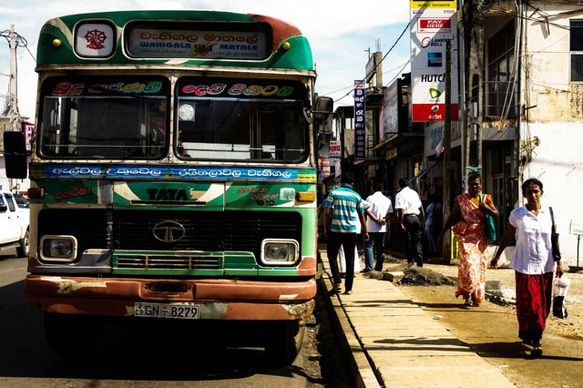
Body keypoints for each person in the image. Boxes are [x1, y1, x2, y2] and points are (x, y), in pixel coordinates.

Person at [490, 178, 563, 358]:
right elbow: (508, 235)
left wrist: (559, 261)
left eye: (536, 191)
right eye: (529, 192)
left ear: (541, 193)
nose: (533, 195)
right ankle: (536, 340)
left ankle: (530, 333)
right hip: (525, 266)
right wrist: (497, 255)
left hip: (546, 266)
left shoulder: (550, 213)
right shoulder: (517, 214)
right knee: (530, 303)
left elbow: (554, 238)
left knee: (543, 304)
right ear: (524, 195)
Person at [438, 173, 499, 307]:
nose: (474, 186)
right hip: (466, 238)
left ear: (481, 185)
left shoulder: (486, 199)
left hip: (480, 238)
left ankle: (475, 296)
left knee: (479, 267)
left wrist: (485, 208)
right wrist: (442, 233)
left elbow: (496, 214)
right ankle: (468, 295)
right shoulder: (461, 200)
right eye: (472, 184)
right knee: (469, 267)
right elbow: (453, 217)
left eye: (477, 184)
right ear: (468, 185)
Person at [323, 172, 369, 295]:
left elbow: (327, 212)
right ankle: (349, 289)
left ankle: (337, 283)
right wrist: (365, 231)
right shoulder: (357, 196)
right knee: (350, 259)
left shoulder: (333, 193)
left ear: (341, 181)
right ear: (352, 183)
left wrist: (326, 228)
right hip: (351, 231)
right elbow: (362, 216)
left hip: (335, 230)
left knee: (332, 256)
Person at [363, 180, 393, 272]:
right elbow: (390, 213)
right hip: (382, 228)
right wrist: (384, 220)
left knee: (369, 246)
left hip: (371, 227)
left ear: (373, 188)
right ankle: (379, 267)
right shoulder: (387, 200)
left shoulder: (370, 198)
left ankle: (369, 267)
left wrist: (376, 220)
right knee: (380, 247)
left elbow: (367, 211)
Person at [395, 178, 424, 268]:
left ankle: (410, 261)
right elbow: (419, 206)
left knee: (407, 240)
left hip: (407, 218)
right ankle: (419, 257)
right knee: (417, 240)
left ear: (400, 185)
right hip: (416, 218)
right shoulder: (414, 193)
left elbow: (401, 209)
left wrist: (400, 223)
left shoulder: (399, 194)